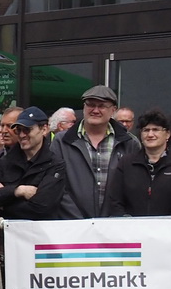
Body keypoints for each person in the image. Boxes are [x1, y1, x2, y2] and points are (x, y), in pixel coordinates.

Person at [50, 84, 138, 218]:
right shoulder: (61, 141)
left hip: (115, 224)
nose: (95, 110)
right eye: (90, 105)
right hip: (71, 224)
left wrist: (117, 217)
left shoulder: (129, 143)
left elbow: (133, 187)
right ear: (84, 107)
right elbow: (56, 184)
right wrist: (79, 220)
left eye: (102, 106)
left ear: (113, 110)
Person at [103, 109, 171, 217]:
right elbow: (115, 199)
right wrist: (126, 220)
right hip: (131, 225)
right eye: (146, 130)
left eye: (156, 130)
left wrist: (168, 221)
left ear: (167, 134)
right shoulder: (126, 163)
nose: (150, 134)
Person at [0, 107, 68, 220]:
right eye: (18, 130)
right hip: (7, 230)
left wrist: (5, 204)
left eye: (27, 130)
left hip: (39, 230)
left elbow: (43, 207)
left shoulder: (55, 165)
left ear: (44, 130)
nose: (22, 135)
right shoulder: (4, 161)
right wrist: (17, 191)